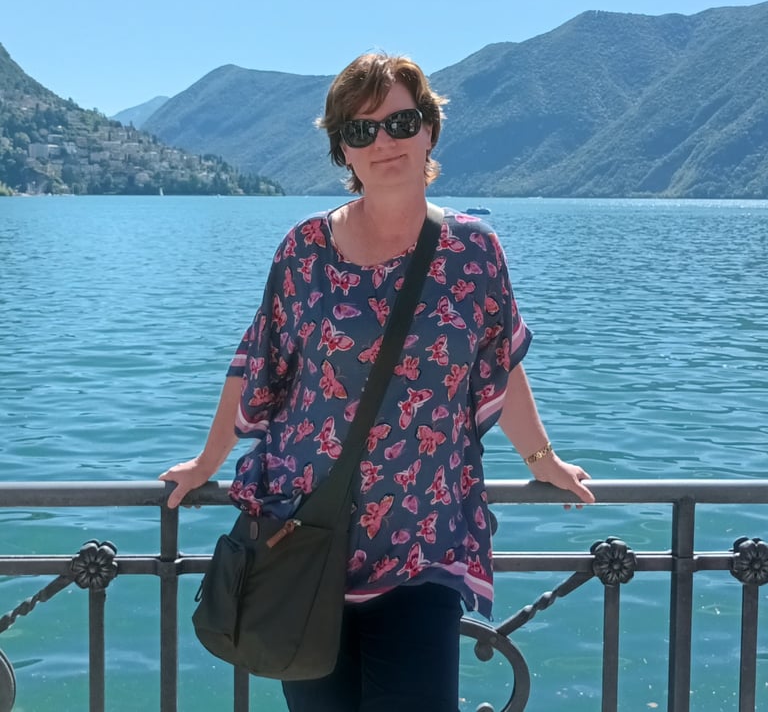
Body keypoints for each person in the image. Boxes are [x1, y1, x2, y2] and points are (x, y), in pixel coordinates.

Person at [159, 52, 595, 712]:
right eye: (361, 130)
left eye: (401, 122)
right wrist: (207, 462)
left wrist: (543, 460)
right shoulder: (304, 250)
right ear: (343, 150)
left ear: (430, 131)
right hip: (302, 535)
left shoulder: (473, 252)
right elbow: (257, 362)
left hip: (423, 541)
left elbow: (497, 361)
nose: (384, 141)